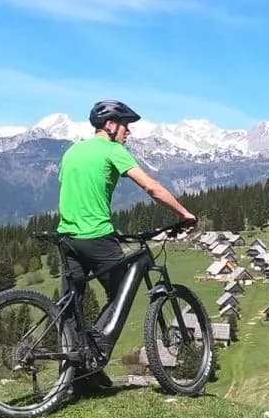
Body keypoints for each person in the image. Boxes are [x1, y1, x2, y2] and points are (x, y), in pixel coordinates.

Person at [55, 100, 199, 352]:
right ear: (110, 126)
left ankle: (75, 371)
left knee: (70, 304)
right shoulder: (112, 150)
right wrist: (184, 213)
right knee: (122, 292)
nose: (128, 132)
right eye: (125, 126)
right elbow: (152, 187)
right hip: (96, 235)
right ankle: (95, 350)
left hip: (66, 237)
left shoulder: (71, 152)